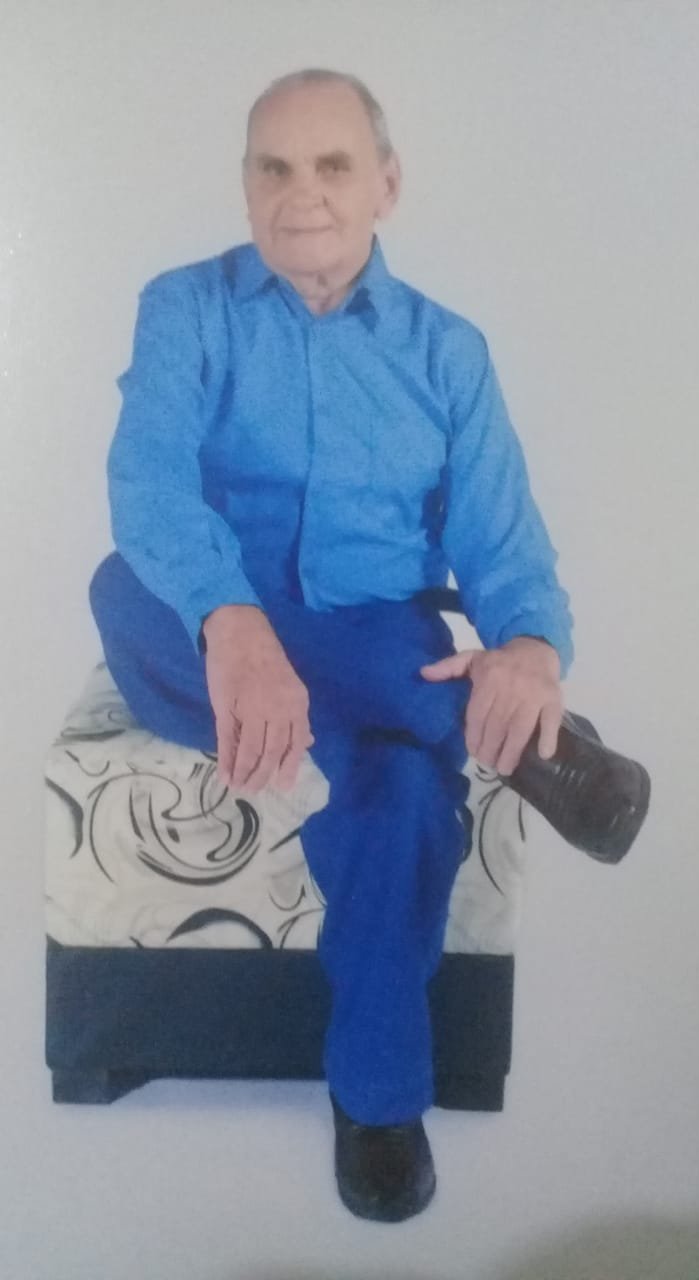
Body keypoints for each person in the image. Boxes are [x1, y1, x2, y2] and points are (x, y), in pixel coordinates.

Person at [89, 68, 574, 1223]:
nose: (300, 192)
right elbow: (148, 484)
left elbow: (503, 541)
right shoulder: (186, 307)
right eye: (275, 166)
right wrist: (235, 617)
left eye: (332, 165)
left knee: (400, 788)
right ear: (246, 185)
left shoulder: (448, 352)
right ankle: (484, 727)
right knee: (121, 584)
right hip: (197, 629)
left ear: (385, 186)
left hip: (376, 630)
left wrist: (530, 648)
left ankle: (378, 1099)